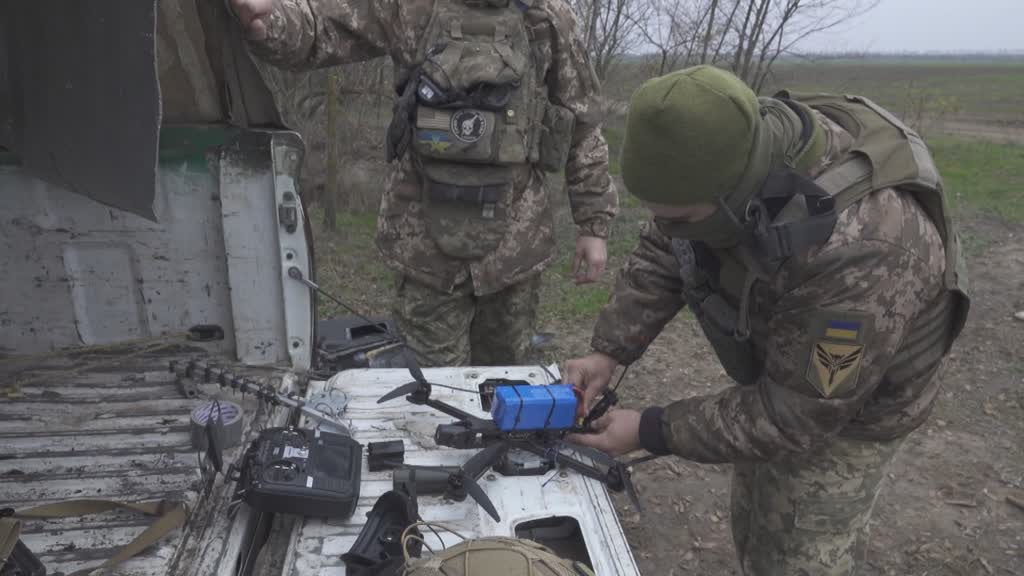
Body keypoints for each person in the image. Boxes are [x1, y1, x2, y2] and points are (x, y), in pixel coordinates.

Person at [566, 65, 970, 575]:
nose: (666, 227)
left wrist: (651, 429)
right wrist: (609, 350)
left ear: (733, 195)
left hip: (855, 412)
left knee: (801, 553)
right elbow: (669, 246)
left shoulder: (864, 246)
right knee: (758, 523)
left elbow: (798, 415)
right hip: (785, 374)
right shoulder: (715, 164)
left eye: (681, 217)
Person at [230, 0, 618, 366]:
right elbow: (322, 29)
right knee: (431, 392)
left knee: (504, 382)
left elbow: (583, 125)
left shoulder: (547, 19)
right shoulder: (412, 7)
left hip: (516, 251)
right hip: (425, 252)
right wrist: (270, 19)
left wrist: (594, 224)